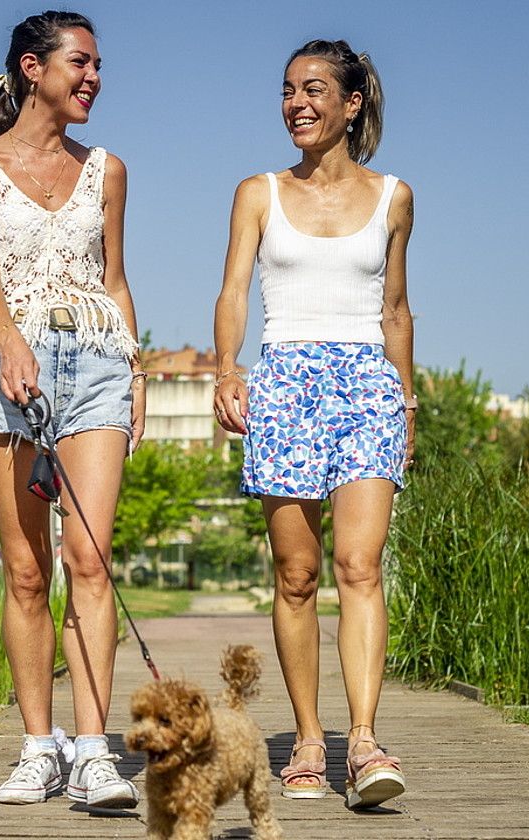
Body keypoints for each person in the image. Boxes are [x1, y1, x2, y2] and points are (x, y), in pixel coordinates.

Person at [211, 38, 416, 811]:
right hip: (285, 378)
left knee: (359, 567)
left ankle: (362, 743)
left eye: (315, 89)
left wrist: (408, 404)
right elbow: (233, 288)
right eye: (289, 90)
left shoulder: (395, 195)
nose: (297, 102)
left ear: (351, 103)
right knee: (296, 574)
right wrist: (228, 368)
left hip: (367, 382)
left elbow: (396, 310)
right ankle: (305, 738)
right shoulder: (258, 191)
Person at [0, 10, 144, 809]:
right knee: (27, 570)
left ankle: (94, 750)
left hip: (97, 360)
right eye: (81, 63)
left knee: (89, 559)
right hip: (9, 367)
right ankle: (39, 746)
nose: (94, 77)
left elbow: (117, 278)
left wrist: (135, 369)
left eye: (99, 66)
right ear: (33, 68)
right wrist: (9, 344)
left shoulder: (108, 169)